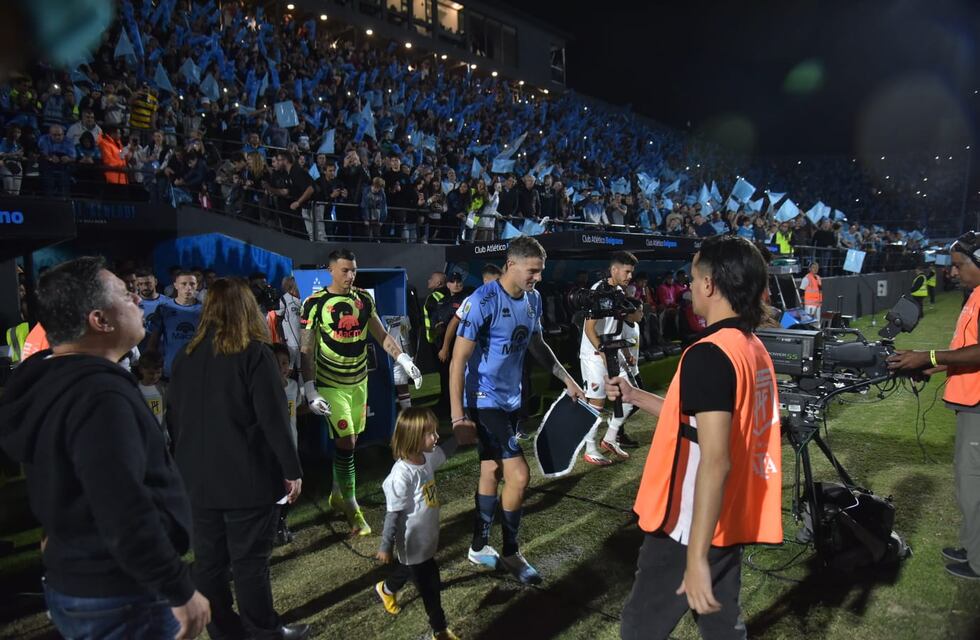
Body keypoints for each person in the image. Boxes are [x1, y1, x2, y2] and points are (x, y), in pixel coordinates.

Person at [0, 257, 210, 640]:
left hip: (79, 580)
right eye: (124, 294)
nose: (136, 297)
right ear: (100, 320)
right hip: (123, 594)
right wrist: (178, 587)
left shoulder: (52, 380)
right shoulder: (97, 395)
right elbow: (123, 506)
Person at [609, 235, 782, 639]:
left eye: (692, 279)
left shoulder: (710, 353)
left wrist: (697, 555)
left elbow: (715, 458)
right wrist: (634, 396)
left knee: (639, 630)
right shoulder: (750, 347)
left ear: (709, 285)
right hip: (726, 515)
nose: (688, 288)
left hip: (688, 526)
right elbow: (691, 419)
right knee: (722, 628)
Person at [167, 277, 308, 640]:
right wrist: (291, 469)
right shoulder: (254, 354)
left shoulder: (184, 357)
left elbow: (174, 420)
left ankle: (224, 630)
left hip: (196, 482)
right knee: (249, 564)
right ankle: (262, 631)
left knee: (209, 565)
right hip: (246, 480)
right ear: (247, 309)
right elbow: (274, 420)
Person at [451, 236, 586, 584]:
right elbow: (458, 360)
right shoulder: (482, 300)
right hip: (483, 401)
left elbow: (537, 344)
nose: (537, 278)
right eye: (533, 271)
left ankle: (479, 547)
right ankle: (510, 552)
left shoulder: (534, 299)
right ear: (512, 265)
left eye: (540, 272)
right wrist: (458, 416)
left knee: (491, 471)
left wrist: (566, 378)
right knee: (520, 475)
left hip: (511, 400)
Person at [300, 249, 423, 536]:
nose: (350, 275)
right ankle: (352, 507)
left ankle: (336, 493)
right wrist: (310, 388)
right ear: (330, 270)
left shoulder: (364, 299)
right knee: (348, 441)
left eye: (353, 270)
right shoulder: (314, 303)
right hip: (331, 383)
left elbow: (381, 335)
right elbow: (307, 349)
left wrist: (404, 359)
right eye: (345, 270)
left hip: (358, 382)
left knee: (350, 441)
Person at [888, 231, 980, 581]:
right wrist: (931, 366)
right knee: (967, 480)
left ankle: (978, 559)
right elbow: (964, 350)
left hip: (978, 404)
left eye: (958, 266)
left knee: (973, 483)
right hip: (971, 401)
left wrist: (927, 355)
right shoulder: (975, 296)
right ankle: (972, 546)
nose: (953, 273)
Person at [374, 408, 474, 640]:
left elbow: (444, 453)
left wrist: (459, 438)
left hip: (427, 538)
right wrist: (385, 545)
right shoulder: (401, 475)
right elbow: (393, 514)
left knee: (409, 570)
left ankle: (386, 589)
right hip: (412, 542)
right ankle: (440, 631)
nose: (436, 437)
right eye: (430, 434)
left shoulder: (425, 457)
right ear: (413, 438)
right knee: (430, 586)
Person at [579, 251, 638, 466]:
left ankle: (610, 438)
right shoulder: (598, 291)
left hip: (612, 351)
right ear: (614, 269)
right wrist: (603, 353)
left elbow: (617, 326)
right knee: (596, 403)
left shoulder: (619, 291)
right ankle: (590, 448)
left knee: (632, 396)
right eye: (627, 271)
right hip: (594, 355)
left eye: (632, 271)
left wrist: (625, 352)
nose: (630, 275)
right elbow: (589, 329)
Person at [272, 342, 305, 546]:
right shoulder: (266, 388)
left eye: (285, 362)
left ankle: (281, 523)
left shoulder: (292, 387)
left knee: (292, 490)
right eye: (278, 363)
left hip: (293, 444)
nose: (283, 367)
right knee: (278, 489)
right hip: (275, 449)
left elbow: (298, 409)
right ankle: (274, 526)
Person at [439, 264, 503, 363]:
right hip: (480, 353)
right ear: (486, 281)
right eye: (497, 281)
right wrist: (445, 347)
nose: (500, 284)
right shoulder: (473, 300)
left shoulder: (504, 298)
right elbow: (453, 322)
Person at [148, 270, 203, 379]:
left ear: (197, 285)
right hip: (170, 370)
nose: (188, 288)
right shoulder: (164, 308)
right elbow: (153, 340)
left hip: (197, 370)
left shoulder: (206, 310)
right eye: (184, 284)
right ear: (175, 285)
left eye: (192, 284)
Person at [275, 276, 304, 376]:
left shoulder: (300, 300)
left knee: (300, 366)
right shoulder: (284, 299)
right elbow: (278, 319)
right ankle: (287, 387)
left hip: (300, 338)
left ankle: (301, 389)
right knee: (289, 365)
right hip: (290, 339)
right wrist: (281, 336)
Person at [134, 349, 167, 434]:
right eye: (151, 373)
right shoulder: (135, 388)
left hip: (159, 431)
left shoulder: (163, 389)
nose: (155, 376)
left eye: (158, 372)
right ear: (141, 369)